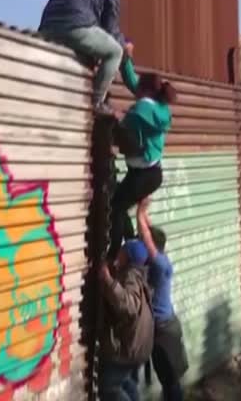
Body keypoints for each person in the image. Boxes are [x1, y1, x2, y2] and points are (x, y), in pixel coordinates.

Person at [39, 0, 135, 115]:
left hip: (47, 28)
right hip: (76, 29)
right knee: (115, 52)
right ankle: (97, 102)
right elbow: (111, 29)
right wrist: (125, 45)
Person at [107, 73, 176, 262]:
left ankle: (114, 254)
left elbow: (126, 121)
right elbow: (134, 82)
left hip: (144, 175)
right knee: (121, 205)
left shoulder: (142, 109)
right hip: (147, 173)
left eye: (138, 88)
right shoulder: (157, 105)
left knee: (116, 207)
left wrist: (115, 116)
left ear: (144, 90)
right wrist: (126, 59)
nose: (134, 90)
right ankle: (129, 245)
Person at [98, 240, 155, 401]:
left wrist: (108, 280)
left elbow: (129, 306)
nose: (119, 252)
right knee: (125, 381)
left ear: (127, 256)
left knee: (108, 387)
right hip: (140, 345)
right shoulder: (138, 273)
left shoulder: (130, 275)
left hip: (130, 347)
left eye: (122, 250)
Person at [138, 223, 188, 401]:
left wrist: (141, 211)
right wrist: (142, 212)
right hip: (166, 327)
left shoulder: (159, 264)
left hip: (163, 331)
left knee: (170, 381)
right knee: (170, 380)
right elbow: (147, 235)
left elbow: (146, 238)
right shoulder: (161, 260)